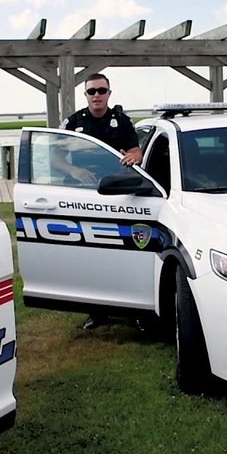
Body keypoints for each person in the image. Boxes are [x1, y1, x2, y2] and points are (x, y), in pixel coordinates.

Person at [61, 73, 141, 330]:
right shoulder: (74, 123)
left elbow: (136, 150)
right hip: (83, 195)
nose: (97, 96)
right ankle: (97, 312)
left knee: (123, 252)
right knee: (90, 253)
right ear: (85, 95)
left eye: (101, 91)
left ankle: (134, 309)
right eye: (91, 91)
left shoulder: (122, 120)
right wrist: (73, 171)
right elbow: (55, 157)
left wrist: (133, 157)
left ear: (109, 93)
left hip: (117, 195)